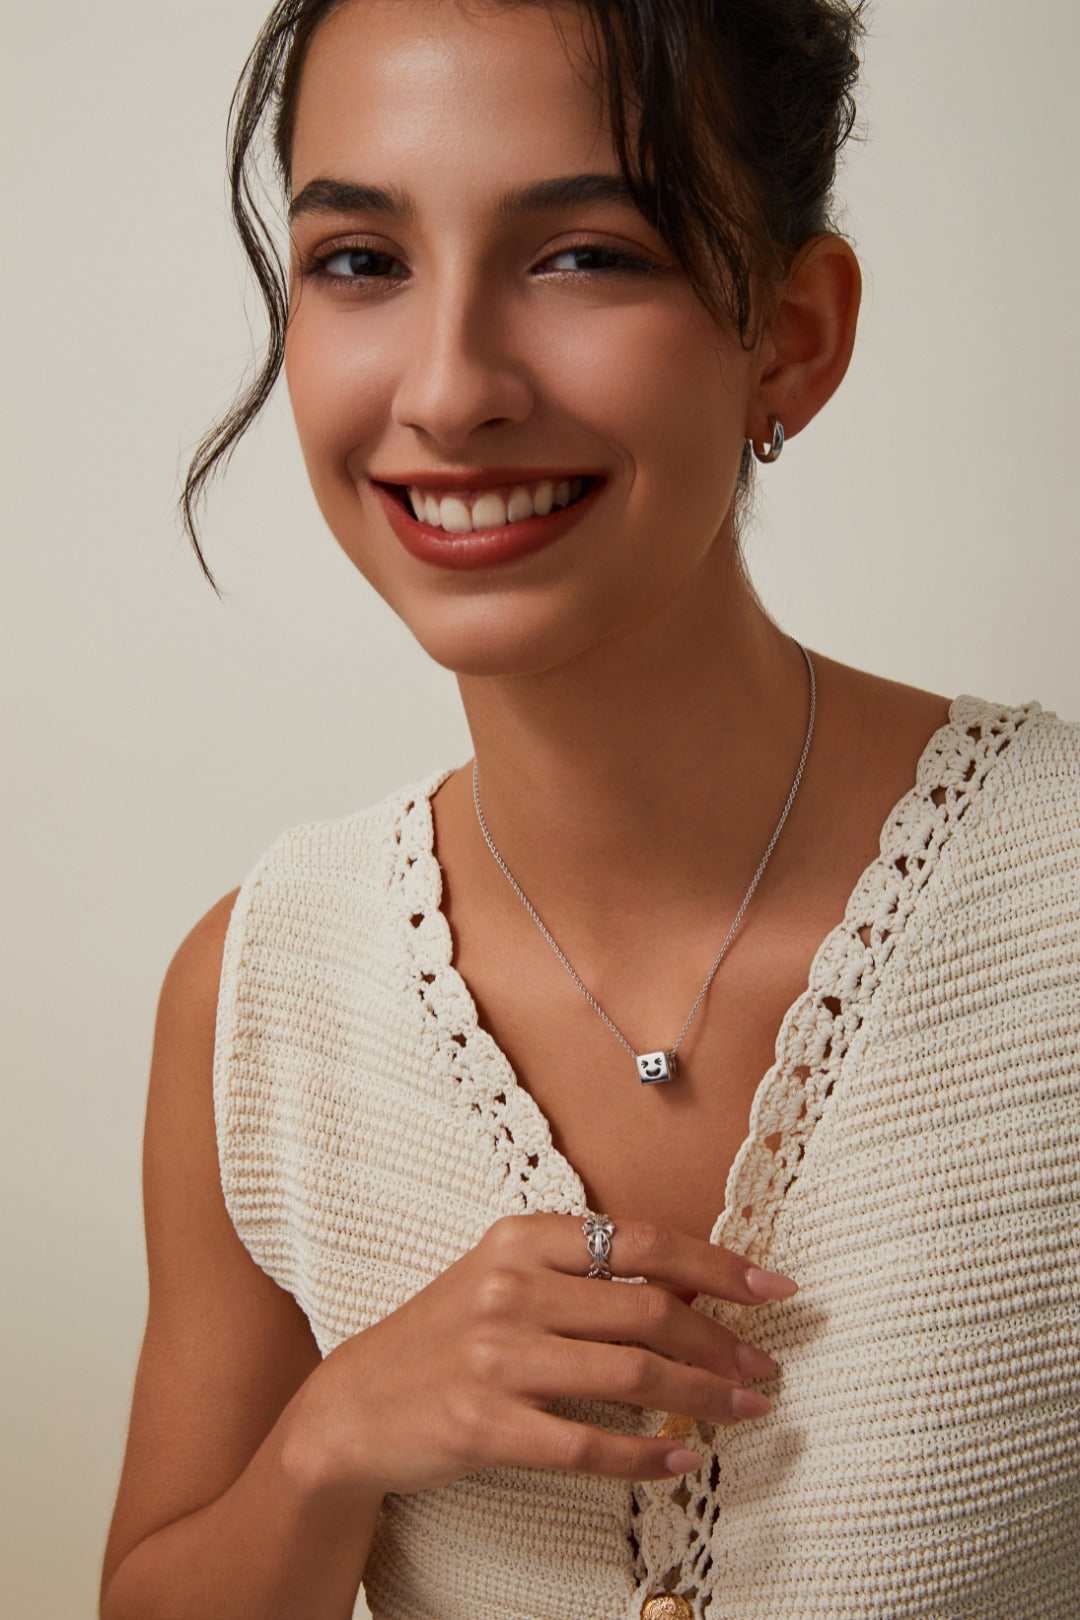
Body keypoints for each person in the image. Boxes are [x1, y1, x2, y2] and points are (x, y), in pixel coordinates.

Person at [100, 1, 1080, 1616]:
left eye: (582, 256)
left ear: (791, 336)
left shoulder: (1050, 899)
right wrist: (329, 1443)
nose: (448, 387)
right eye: (361, 260)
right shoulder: (261, 999)